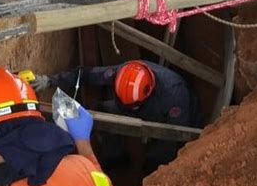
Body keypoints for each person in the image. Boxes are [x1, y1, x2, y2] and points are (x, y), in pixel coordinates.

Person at [33, 60, 201, 173]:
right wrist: (50, 81)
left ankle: (147, 181)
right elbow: (87, 75)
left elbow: (178, 134)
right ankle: (114, 160)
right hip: (137, 108)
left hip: (169, 121)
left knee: (159, 155)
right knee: (106, 110)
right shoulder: (124, 73)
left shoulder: (175, 97)